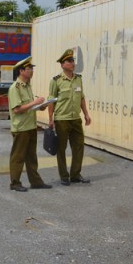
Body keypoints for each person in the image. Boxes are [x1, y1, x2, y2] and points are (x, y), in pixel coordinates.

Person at [7, 56, 52, 192]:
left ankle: (36, 182)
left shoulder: (27, 87)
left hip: (30, 126)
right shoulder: (15, 88)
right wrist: (35, 103)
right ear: (21, 71)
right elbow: (17, 109)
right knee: (18, 157)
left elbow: (29, 107)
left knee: (32, 157)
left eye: (32, 69)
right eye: (29, 69)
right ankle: (15, 183)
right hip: (21, 128)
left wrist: (41, 106)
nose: (32, 71)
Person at [48, 49, 92, 186]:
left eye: (73, 61)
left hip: (75, 119)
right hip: (61, 119)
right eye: (69, 61)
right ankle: (64, 176)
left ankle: (75, 174)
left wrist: (86, 114)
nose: (72, 63)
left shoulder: (78, 79)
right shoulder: (56, 81)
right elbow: (51, 101)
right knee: (61, 149)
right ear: (62, 64)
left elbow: (82, 98)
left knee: (79, 146)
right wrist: (50, 119)